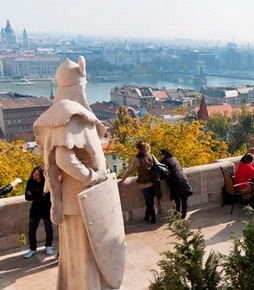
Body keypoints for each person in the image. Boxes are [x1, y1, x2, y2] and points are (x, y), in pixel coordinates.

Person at [34, 56, 125, 289]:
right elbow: (64, 159)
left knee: (79, 253)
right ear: (78, 87)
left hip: (78, 200)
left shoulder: (60, 114)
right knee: (84, 253)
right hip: (83, 200)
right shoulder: (71, 115)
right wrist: (92, 177)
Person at [120, 141, 157, 224]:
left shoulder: (137, 159)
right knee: (150, 200)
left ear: (139, 149)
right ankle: (147, 217)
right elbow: (158, 166)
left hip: (144, 184)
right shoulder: (151, 156)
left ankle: (153, 218)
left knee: (149, 201)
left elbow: (130, 170)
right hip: (153, 181)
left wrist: (123, 178)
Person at [23, 167, 53, 259]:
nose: (34, 176)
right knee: (31, 230)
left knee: (48, 228)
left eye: (37, 174)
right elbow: (27, 197)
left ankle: (48, 246)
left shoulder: (46, 183)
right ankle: (32, 249)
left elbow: (47, 196)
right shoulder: (30, 182)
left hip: (46, 208)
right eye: (34, 174)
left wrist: (35, 194)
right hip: (35, 209)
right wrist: (40, 195)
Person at [160, 149, 193, 219]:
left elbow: (162, 173)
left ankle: (178, 212)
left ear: (164, 154)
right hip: (182, 177)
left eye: (160, 154)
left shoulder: (164, 161)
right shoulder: (173, 158)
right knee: (183, 198)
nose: (160, 156)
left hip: (174, 181)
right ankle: (183, 215)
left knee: (177, 198)